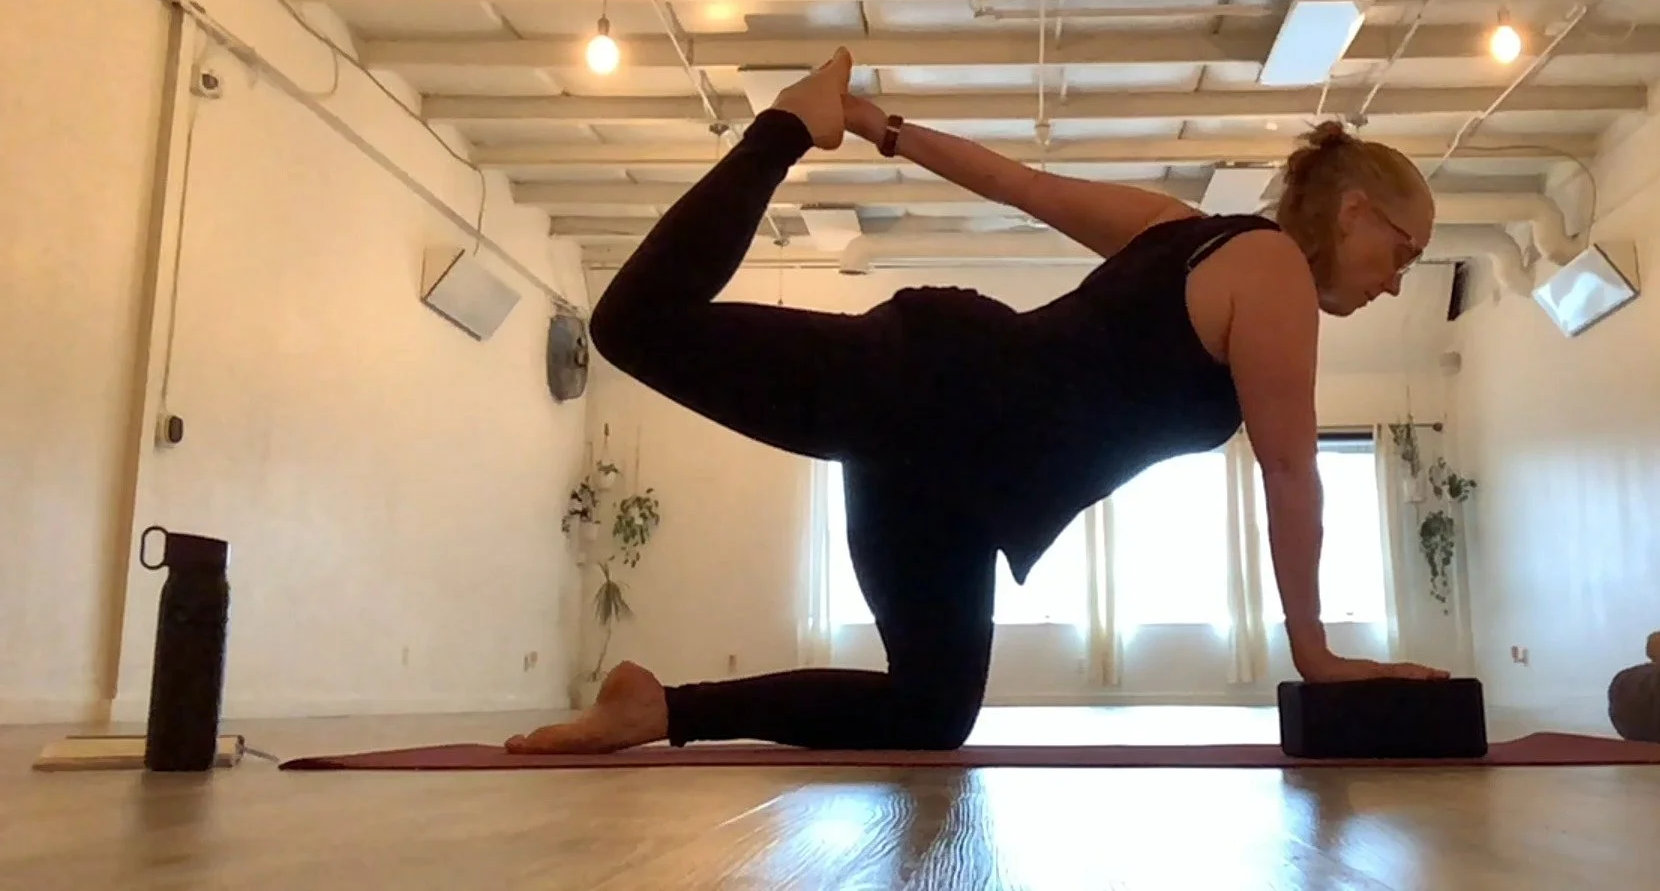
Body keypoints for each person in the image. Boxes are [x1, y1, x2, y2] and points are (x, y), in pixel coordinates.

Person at [506, 48, 1448, 755]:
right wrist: (1316, 653)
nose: (1397, 280)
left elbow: (1019, 185)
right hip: (934, 390)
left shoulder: (1180, 230)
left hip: (951, 486)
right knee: (636, 325)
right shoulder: (1272, 268)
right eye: (1403, 251)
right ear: (1354, 211)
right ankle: (785, 126)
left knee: (930, 712)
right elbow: (1289, 470)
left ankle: (656, 709)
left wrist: (882, 128)